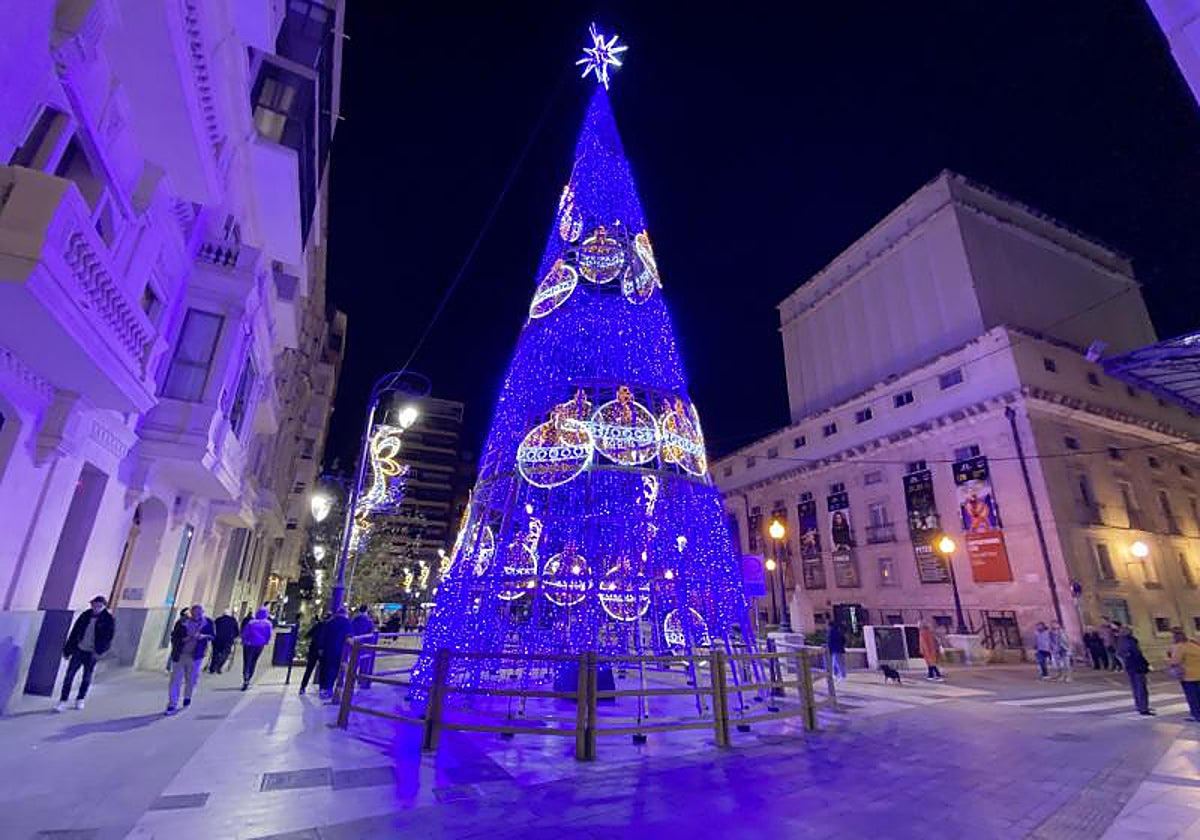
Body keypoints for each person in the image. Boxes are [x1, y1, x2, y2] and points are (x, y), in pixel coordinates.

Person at [55, 595, 115, 712]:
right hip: (78, 650)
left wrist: (99, 651)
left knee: (86, 677)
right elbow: (74, 632)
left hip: (92, 653)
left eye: (99, 606)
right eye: (94, 605)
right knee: (69, 676)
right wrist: (68, 650)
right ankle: (63, 700)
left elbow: (108, 638)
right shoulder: (85, 616)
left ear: (104, 606)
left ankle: (80, 699)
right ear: (91, 604)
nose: (96, 608)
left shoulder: (108, 619)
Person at [167, 604, 214, 715]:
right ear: (191, 613)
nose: (197, 615)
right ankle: (172, 704)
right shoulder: (182, 622)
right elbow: (174, 637)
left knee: (191, 679)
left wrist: (203, 636)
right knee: (175, 680)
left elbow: (213, 636)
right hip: (181, 655)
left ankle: (188, 696)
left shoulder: (208, 623)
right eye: (194, 613)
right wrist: (184, 639)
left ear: (202, 613)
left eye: (199, 613)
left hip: (196, 656)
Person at [1116, 625, 1153, 716]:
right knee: (1141, 688)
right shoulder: (1130, 641)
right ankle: (1143, 708)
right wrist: (1146, 664)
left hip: (1130, 666)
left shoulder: (1121, 641)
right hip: (1137, 666)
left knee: (1136, 687)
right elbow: (1137, 654)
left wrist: (1125, 662)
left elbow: (1119, 654)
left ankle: (1139, 706)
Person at [318, 606, 353, 701]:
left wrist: (321, 648)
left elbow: (323, 636)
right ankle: (330, 689)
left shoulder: (330, 622)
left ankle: (323, 688)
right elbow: (350, 638)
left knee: (325, 668)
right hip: (340, 651)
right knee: (335, 670)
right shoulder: (347, 624)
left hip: (327, 650)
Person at [1167, 628, 1200, 722]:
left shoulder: (1179, 647)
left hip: (1188, 677)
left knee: (1192, 697)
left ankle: (1196, 715)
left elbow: (1175, 662)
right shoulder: (1194, 644)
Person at [240, 607, 273, 690]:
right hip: (259, 645)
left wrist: (243, 640)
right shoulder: (268, 624)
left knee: (247, 661)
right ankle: (249, 677)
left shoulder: (251, 622)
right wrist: (266, 641)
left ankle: (246, 677)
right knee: (254, 661)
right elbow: (269, 635)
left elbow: (245, 632)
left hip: (249, 644)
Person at [299, 613, 329, 695]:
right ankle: (322, 688)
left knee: (309, 669)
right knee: (323, 670)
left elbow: (307, 635)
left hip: (314, 649)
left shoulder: (318, 625)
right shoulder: (329, 628)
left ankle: (302, 687)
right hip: (323, 651)